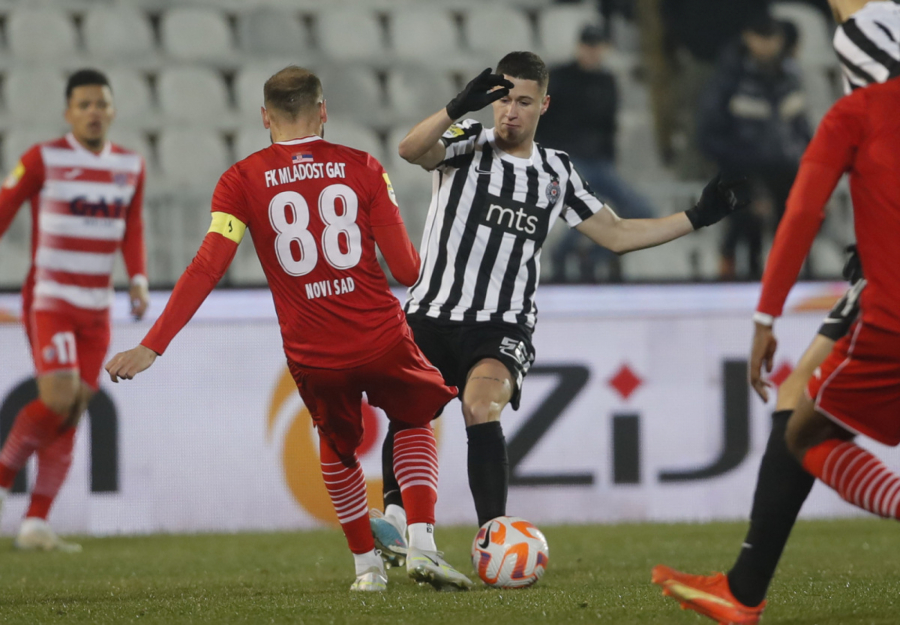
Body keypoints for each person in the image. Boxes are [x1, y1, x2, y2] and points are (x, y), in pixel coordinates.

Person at [370, 51, 747, 566]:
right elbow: (411, 150)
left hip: (501, 323)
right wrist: (457, 106)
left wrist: (698, 216)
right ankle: (398, 519)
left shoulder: (556, 172)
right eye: (504, 100)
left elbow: (615, 234)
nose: (511, 112)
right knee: (411, 411)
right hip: (432, 313)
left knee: (480, 405)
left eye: (524, 102)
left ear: (543, 105)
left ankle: (493, 539)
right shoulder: (466, 141)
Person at [104, 66, 472, 592]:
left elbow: (207, 267)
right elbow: (407, 270)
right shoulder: (364, 167)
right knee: (415, 417)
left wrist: (152, 345)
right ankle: (423, 545)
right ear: (323, 111)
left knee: (337, 448)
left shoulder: (240, 181)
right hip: (381, 337)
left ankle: (367, 570)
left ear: (264, 117)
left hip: (314, 351)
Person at [653, 2, 900, 621]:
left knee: (803, 429)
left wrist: (765, 319)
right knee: (796, 399)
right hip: (872, 273)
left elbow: (802, 213)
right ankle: (742, 589)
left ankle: (742, 592)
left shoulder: (857, 110)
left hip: (887, 289)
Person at [0, 69, 148, 552]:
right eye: (84, 105)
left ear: (113, 110)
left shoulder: (130, 166)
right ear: (68, 113)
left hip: (97, 305)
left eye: (101, 103)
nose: (93, 112)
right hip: (51, 298)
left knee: (75, 406)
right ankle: (3, 477)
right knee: (58, 398)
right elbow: (4, 207)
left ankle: (36, 522)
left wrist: (138, 278)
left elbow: (131, 227)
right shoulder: (42, 159)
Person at [536, 23, 657, 282]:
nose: (591, 52)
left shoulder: (607, 81)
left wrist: (610, 160)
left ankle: (592, 257)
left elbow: (608, 127)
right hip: (565, 160)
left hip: (599, 162)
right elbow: (538, 119)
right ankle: (563, 253)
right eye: (587, 46)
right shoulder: (559, 78)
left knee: (641, 209)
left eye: (596, 46)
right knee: (593, 207)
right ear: (579, 47)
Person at [697, 14, 812, 279]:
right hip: (739, 167)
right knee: (746, 224)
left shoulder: (789, 76)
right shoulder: (729, 78)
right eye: (762, 37)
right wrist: (735, 167)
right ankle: (734, 272)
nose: (767, 44)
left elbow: (802, 128)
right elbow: (708, 133)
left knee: (796, 223)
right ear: (748, 37)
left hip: (784, 166)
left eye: (772, 37)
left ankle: (791, 278)